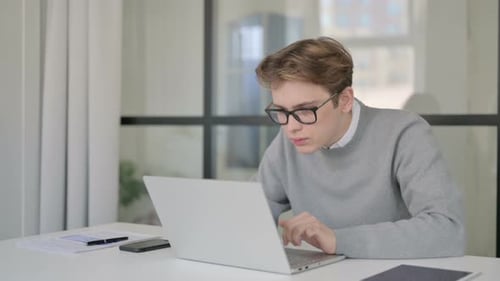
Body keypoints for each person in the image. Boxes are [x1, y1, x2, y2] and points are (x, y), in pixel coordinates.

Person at [253, 36, 465, 259]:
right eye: (282, 112)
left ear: (344, 100)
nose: (291, 127)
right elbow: (250, 212)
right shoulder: (290, 140)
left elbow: (447, 230)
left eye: (305, 110)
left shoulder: (404, 133)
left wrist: (337, 240)